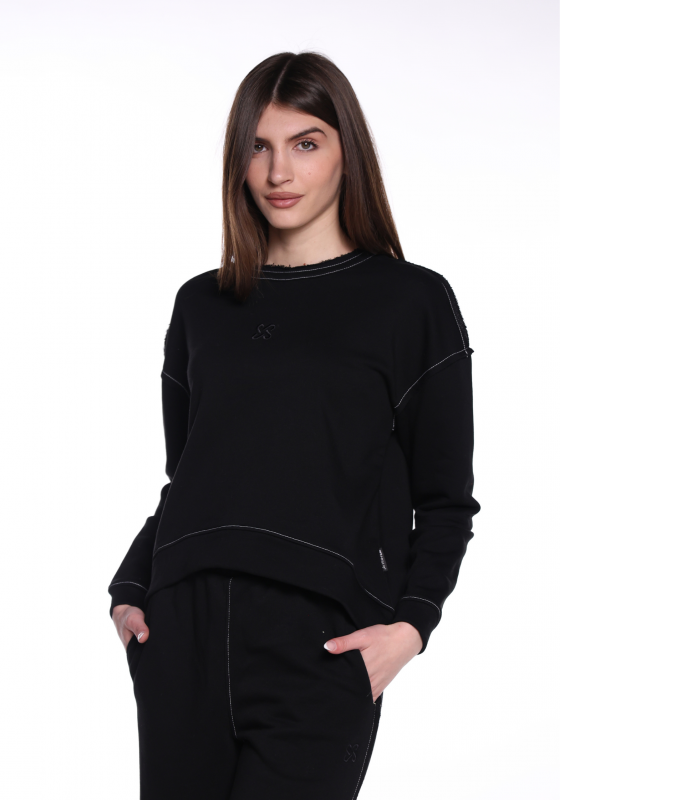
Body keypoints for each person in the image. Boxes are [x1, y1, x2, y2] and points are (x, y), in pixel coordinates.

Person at [107, 50, 481, 800]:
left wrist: (411, 628)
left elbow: (445, 502)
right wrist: (131, 585)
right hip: (181, 628)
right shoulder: (201, 305)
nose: (279, 171)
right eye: (259, 146)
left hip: (319, 642)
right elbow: (191, 474)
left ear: (347, 153)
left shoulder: (411, 302)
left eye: (305, 143)